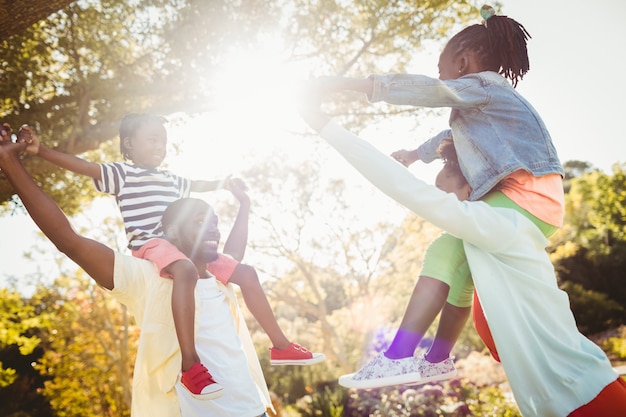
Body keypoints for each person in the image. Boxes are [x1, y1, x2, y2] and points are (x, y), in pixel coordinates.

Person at [296, 85, 626, 417]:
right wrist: (437, 359)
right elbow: (449, 270)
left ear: (473, 187)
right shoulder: (481, 255)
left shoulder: (501, 228)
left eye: (449, 195)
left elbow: (401, 185)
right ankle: (424, 358)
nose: (446, 209)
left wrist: (323, 125)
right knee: (443, 249)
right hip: (563, 403)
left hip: (587, 400)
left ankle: (398, 356)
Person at [314, 5, 564, 388]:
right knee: (460, 263)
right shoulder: (489, 104)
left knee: (442, 252)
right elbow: (450, 138)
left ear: (463, 62)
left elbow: (432, 91)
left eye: (442, 67)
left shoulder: (482, 87)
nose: (440, 76)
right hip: (538, 204)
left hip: (521, 199)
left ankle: (398, 356)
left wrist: (347, 85)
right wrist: (416, 154)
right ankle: (438, 359)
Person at [20, 114, 323, 398]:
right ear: (129, 144)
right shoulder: (123, 173)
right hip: (150, 244)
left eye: (162, 141)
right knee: (186, 271)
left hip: (177, 245)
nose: (159, 147)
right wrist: (39, 150)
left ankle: (281, 346)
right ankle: (190, 365)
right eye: (151, 139)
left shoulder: (171, 179)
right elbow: (82, 166)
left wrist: (225, 184)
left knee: (246, 273)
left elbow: (197, 185)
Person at [0, 135, 273, 416]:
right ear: (173, 233)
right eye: (200, 223)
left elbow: (235, 251)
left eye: (214, 224)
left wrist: (244, 204)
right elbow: (69, 240)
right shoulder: (148, 278)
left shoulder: (220, 279)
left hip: (254, 409)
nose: (213, 230)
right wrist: (10, 162)